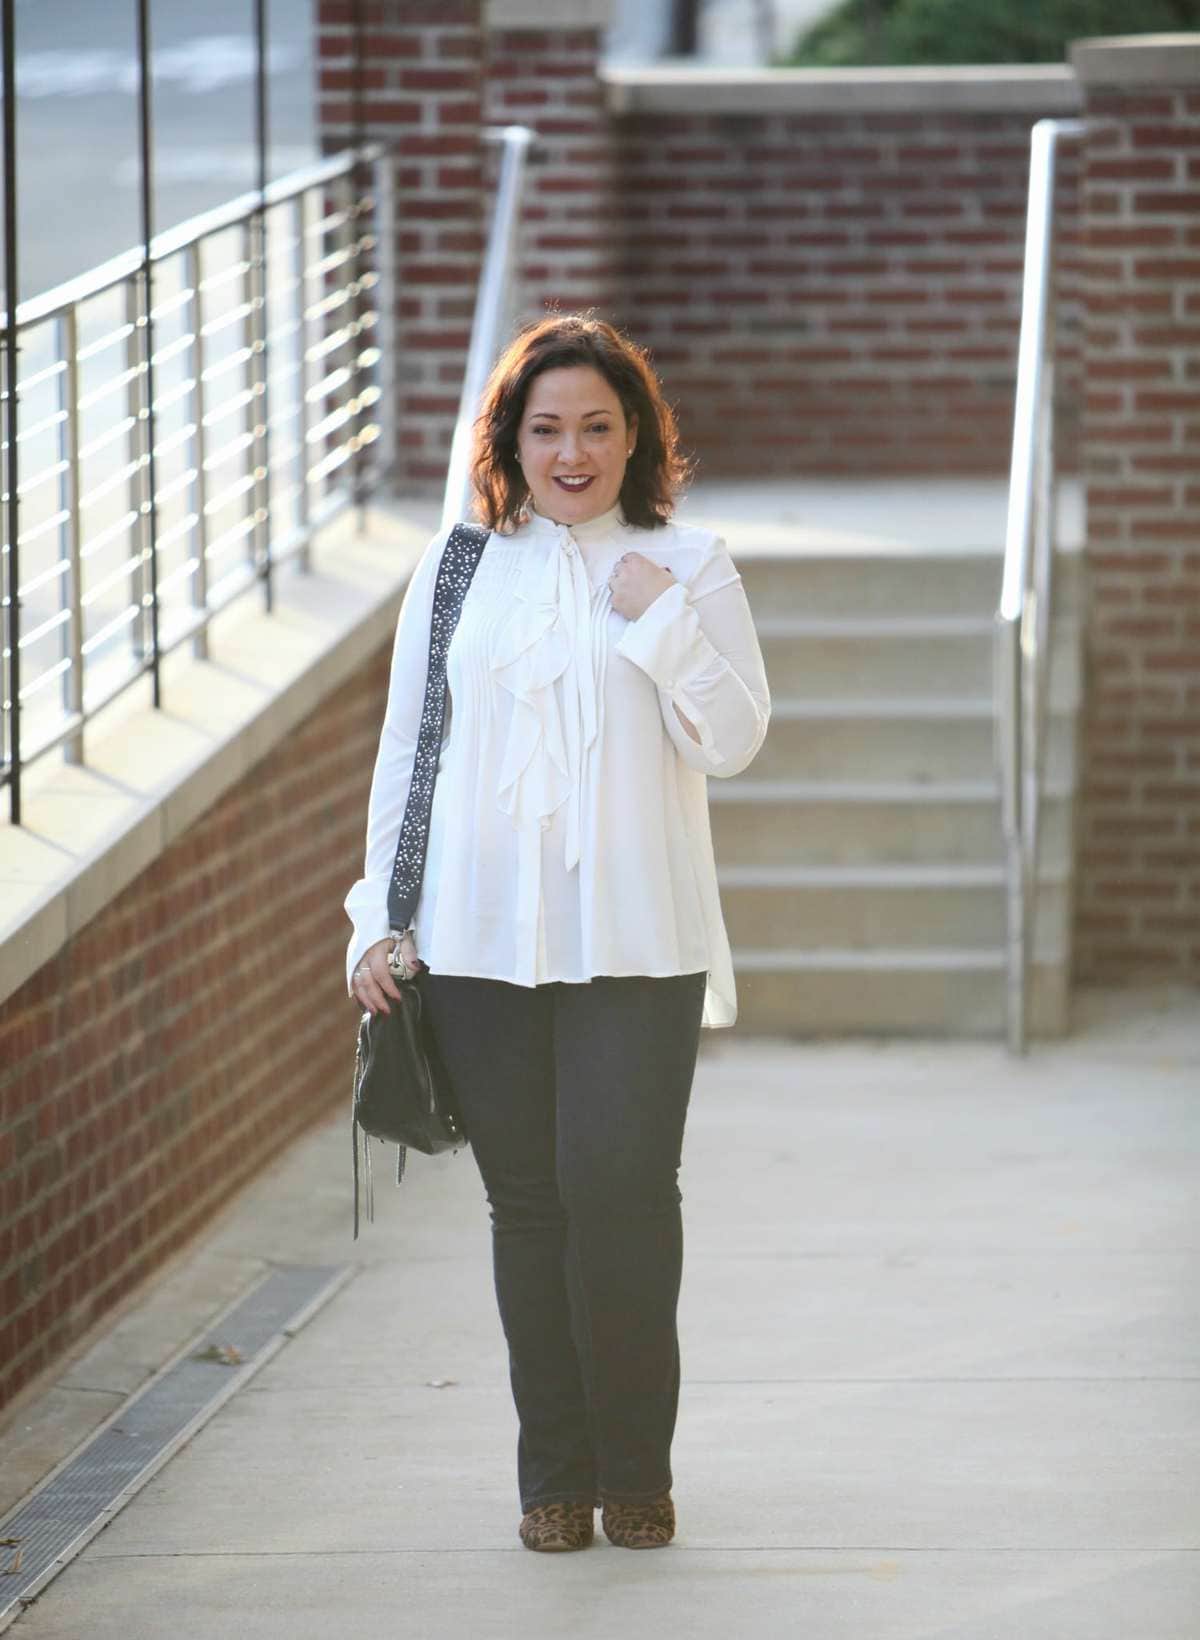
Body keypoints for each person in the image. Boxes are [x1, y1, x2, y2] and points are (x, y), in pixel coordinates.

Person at [344, 314, 770, 1553]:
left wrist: (658, 619)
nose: (571, 450)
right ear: (511, 440)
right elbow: (408, 754)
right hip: (479, 942)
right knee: (526, 1203)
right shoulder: (460, 565)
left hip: (637, 938)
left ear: (633, 434)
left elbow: (733, 739)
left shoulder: (689, 562)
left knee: (623, 1189)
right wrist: (378, 918)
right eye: (547, 429)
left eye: (595, 425)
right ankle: (554, 1478)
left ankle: (637, 1466)